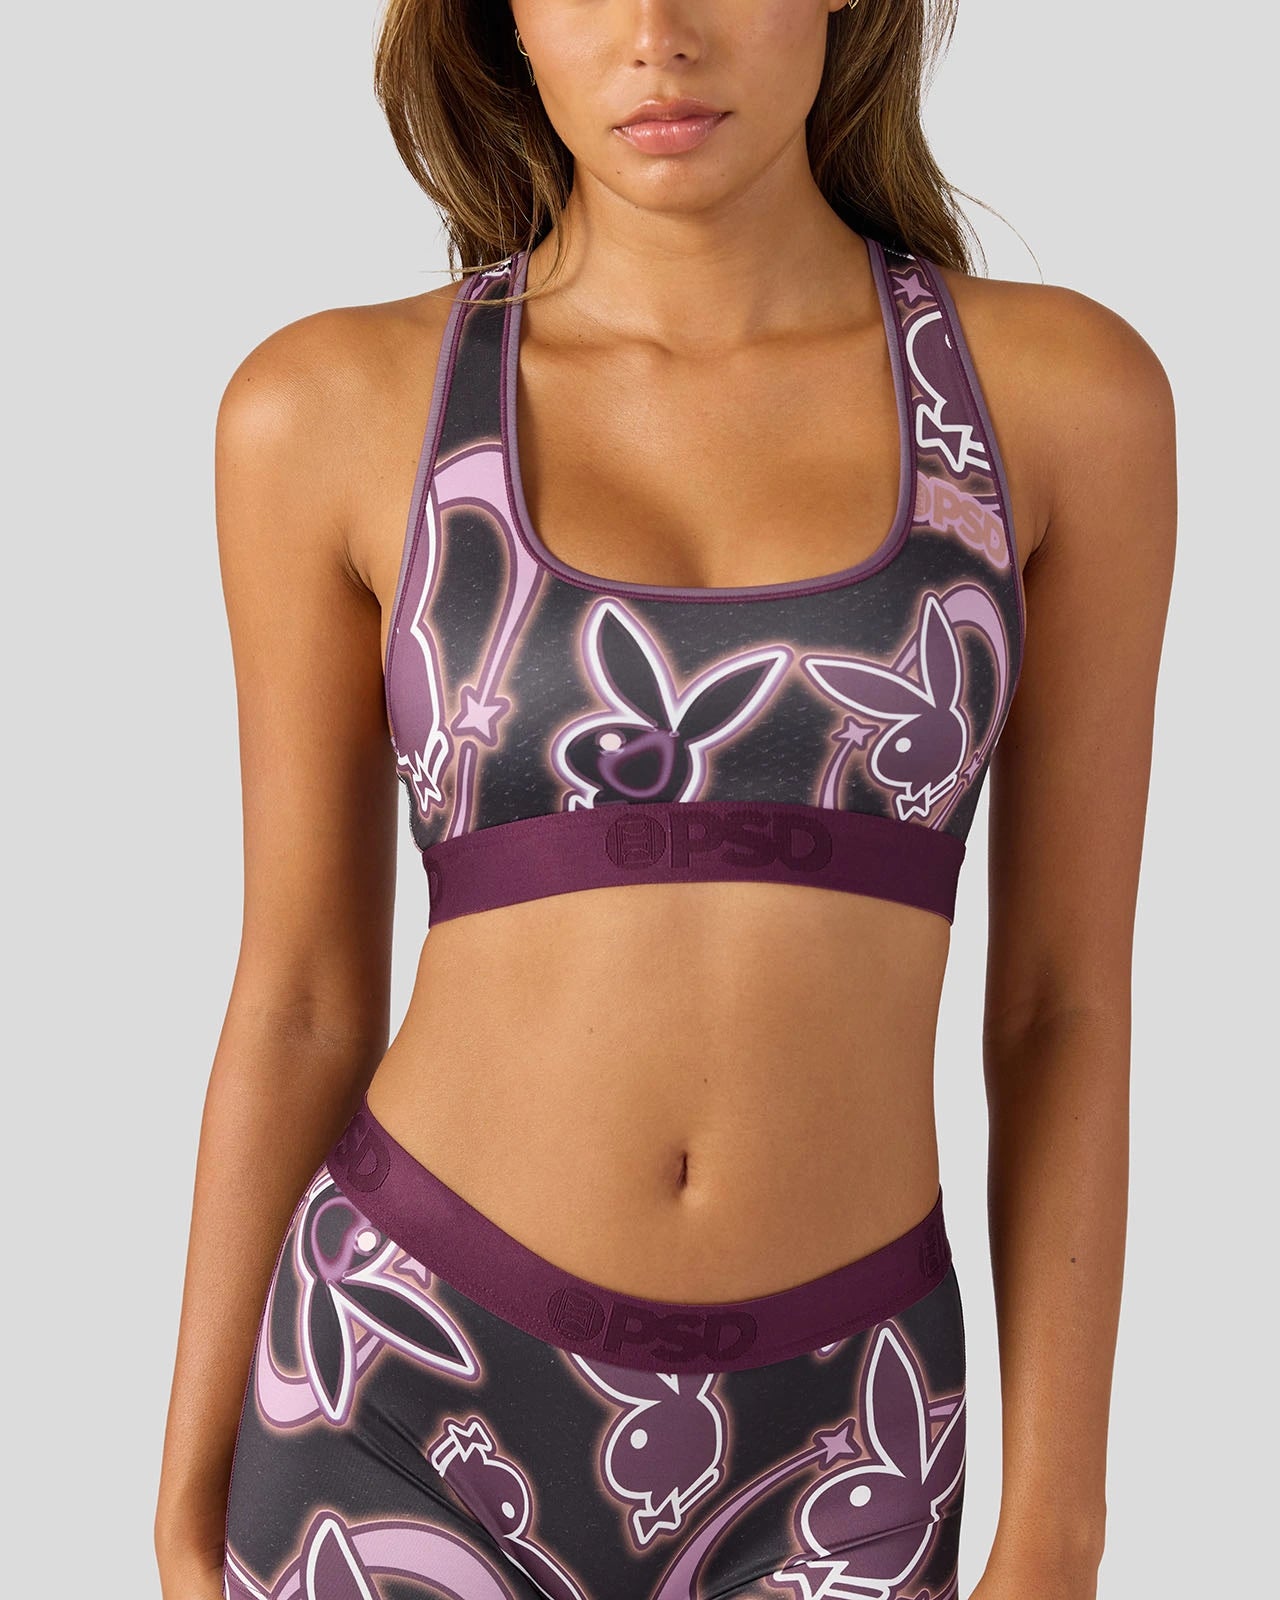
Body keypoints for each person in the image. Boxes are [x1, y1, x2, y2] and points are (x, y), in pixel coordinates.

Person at [155, 2, 1176, 1597]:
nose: (655, 34)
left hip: (846, 1430)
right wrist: (182, 1500)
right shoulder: (334, 406)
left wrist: (1059, 1527)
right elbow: (300, 1001)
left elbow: (1061, 1007)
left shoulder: (1054, 399)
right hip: (393, 1382)